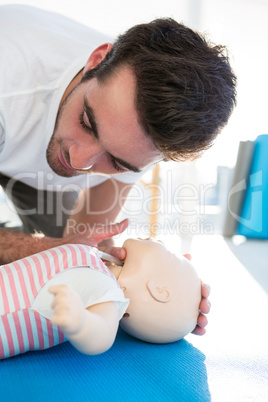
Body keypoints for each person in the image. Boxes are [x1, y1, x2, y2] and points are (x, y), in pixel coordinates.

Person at [0, 4, 235, 331]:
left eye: (117, 162)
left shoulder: (146, 132)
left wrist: (148, 294)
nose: (80, 163)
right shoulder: (8, 80)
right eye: (87, 123)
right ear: (95, 61)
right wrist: (48, 250)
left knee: (61, 268)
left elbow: (81, 249)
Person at [0, 238, 201, 359]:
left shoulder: (108, 290)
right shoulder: (99, 266)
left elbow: (102, 335)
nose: (163, 242)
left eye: (171, 254)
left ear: (159, 290)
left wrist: (81, 321)